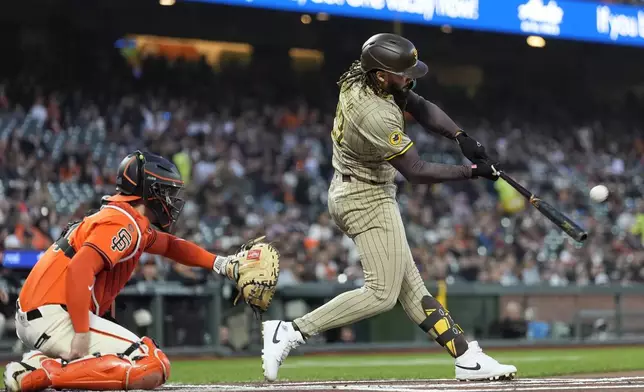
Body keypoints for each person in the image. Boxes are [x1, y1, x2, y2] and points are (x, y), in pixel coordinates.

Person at [261, 33, 517, 382]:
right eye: (403, 72)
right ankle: (290, 331)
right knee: (382, 294)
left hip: (364, 189)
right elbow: (415, 170)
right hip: (364, 197)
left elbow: (418, 104)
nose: (410, 78)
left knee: (412, 290)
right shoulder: (375, 113)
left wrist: (460, 137)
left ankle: (466, 356)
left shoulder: (364, 74)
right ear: (382, 75)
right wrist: (471, 172)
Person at [4, 151, 248, 392]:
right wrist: (80, 332)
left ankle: (32, 368)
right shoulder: (122, 222)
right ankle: (47, 374)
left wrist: (221, 264)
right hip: (56, 315)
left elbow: (171, 245)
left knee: (126, 363)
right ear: (150, 192)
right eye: (166, 191)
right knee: (152, 364)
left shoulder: (125, 218)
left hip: (39, 313)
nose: (171, 200)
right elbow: (80, 268)